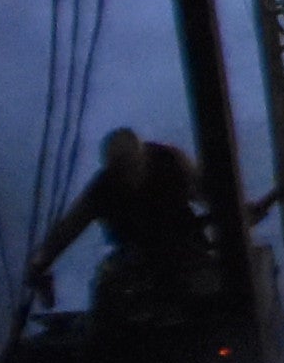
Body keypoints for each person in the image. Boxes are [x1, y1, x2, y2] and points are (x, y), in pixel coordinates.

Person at [23, 125, 224, 342]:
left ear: (143, 158)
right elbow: (69, 227)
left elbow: (204, 192)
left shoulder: (170, 162)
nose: (127, 177)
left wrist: (233, 213)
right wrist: (41, 261)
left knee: (209, 291)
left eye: (131, 167)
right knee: (109, 293)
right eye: (120, 171)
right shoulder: (103, 188)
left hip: (186, 250)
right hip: (138, 260)